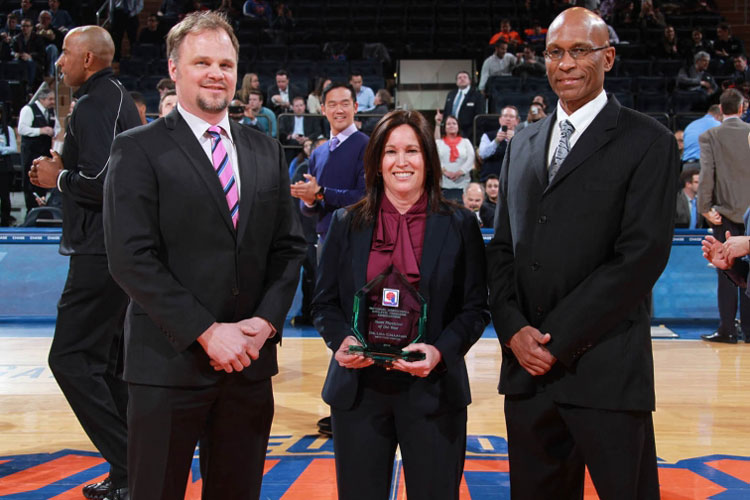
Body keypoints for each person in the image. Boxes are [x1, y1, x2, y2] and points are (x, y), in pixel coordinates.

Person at [101, 11, 306, 499]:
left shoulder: (265, 149)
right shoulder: (137, 149)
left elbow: (289, 247)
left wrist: (266, 323)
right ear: (174, 68)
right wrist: (207, 332)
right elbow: (130, 258)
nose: (217, 73)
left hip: (249, 365)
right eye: (202, 62)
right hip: (168, 365)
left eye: (226, 63)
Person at [486, 8, 678, 498]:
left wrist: (553, 340)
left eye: (579, 51)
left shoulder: (647, 140)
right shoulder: (523, 144)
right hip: (527, 375)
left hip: (606, 372)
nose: (565, 64)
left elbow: (641, 257)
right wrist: (511, 329)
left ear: (608, 57)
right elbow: (503, 248)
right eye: (554, 52)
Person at [312, 109, 489, 500]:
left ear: (429, 159)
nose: (402, 161)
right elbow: (324, 304)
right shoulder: (345, 223)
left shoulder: (459, 225)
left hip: (434, 390)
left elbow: (475, 308)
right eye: (390, 152)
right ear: (376, 162)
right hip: (358, 391)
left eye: (412, 150)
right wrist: (341, 341)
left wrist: (440, 352)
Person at [28, 25, 141, 500]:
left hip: (100, 253)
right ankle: (132, 473)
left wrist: (59, 179)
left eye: (67, 55)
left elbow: (101, 184)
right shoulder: (113, 98)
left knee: (70, 359)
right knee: (107, 364)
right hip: (112, 251)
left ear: (90, 60)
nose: (59, 63)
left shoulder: (96, 104)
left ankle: (131, 467)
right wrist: (62, 173)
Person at [697, 88, 750, 344]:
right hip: (749, 213)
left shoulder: (710, 135)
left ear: (720, 110)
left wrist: (704, 207)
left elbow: (707, 173)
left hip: (725, 213)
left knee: (727, 269)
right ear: (742, 108)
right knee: (747, 269)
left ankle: (727, 329)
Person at [290, 82, 368, 243]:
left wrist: (322, 192)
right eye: (332, 105)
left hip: (359, 236)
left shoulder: (367, 145)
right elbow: (308, 209)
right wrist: (309, 199)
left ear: (355, 107)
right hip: (325, 238)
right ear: (323, 109)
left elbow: (365, 197)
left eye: (345, 104)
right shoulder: (318, 153)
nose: (339, 110)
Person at [18, 88, 55, 212]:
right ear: (42, 99)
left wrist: (54, 132)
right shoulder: (28, 109)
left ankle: (42, 211)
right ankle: (31, 211)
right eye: (50, 99)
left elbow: (57, 127)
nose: (53, 102)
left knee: (43, 181)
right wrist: (40, 131)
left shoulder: (51, 111)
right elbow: (22, 129)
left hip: (45, 151)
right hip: (31, 152)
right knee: (30, 182)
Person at [434, 114, 475, 202]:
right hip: (444, 184)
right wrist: (445, 172)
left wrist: (460, 172)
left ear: (458, 126)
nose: (451, 126)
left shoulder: (466, 142)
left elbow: (471, 158)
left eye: (454, 123)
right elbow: (435, 159)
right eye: (448, 124)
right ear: (444, 127)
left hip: (463, 184)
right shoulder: (439, 143)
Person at [477, 105, 519, 181]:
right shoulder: (487, 136)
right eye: (505, 116)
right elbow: (482, 154)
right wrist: (496, 141)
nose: (508, 119)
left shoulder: (521, 137)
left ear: (517, 121)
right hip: (489, 180)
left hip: (513, 180)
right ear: (500, 119)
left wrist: (514, 141)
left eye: (511, 116)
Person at [440, 70, 485, 140]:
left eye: (464, 77)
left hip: (469, 133)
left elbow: (480, 116)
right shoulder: (451, 94)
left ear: (469, 81)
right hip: (450, 132)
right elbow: (447, 112)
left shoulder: (477, 95)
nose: (462, 79)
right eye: (459, 78)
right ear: (456, 82)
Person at [278, 95, 323, 162]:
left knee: (310, 145)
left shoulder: (312, 117)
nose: (299, 108)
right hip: (292, 141)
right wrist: (290, 136)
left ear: (304, 106)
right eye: (296, 106)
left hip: (307, 140)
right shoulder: (286, 117)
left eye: (301, 105)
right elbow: (281, 131)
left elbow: (318, 131)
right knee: (291, 144)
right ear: (292, 107)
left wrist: (307, 138)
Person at [0, 108, 17, 227]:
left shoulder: (8, 130)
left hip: (4, 166)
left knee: (4, 195)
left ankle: (5, 220)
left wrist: (1, 150)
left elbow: (13, 148)